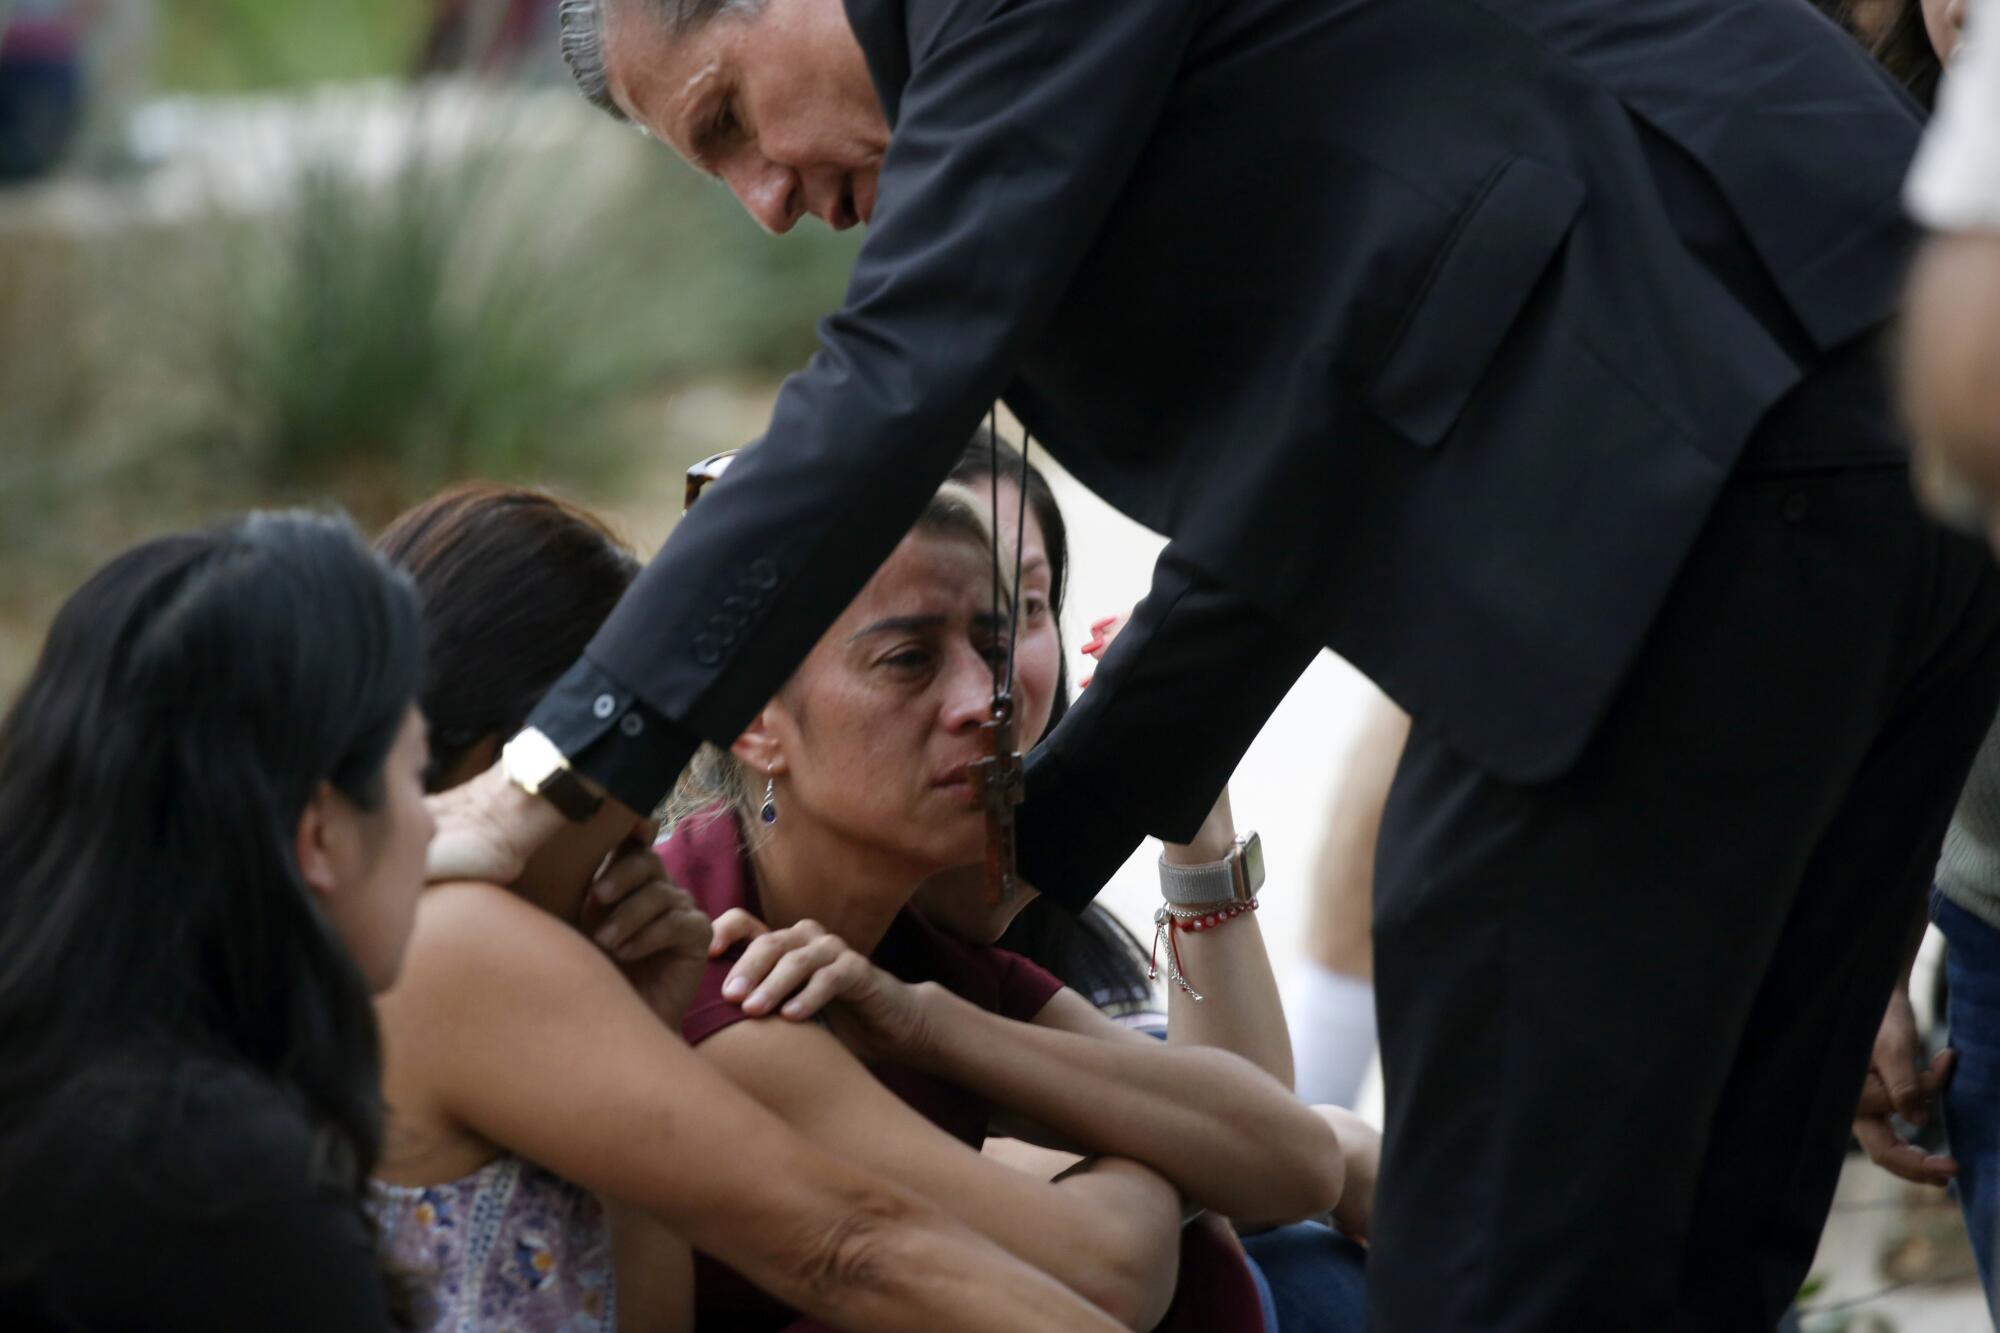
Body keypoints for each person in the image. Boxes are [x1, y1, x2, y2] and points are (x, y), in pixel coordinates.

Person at [413, 0, 2000, 1325]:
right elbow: (1297, 482)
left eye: (726, 121)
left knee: (1498, 1261)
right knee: (1703, 1245)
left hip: (1709, 432)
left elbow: (899, 368)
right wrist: (1027, 863)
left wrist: (555, 781)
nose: (763, 198)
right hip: (1878, 435)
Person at [368, 484, 1127, 1333]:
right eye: (641, 749)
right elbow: (850, 1247)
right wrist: (1156, 1163)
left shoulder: (468, 937)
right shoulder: (453, 935)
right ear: (505, 759)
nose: (648, 810)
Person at [654, 478, 1362, 1330]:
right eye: (908, 658)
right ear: (756, 716)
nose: (982, 701)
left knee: (1325, 1271)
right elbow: (1110, 1272)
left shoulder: (903, 947)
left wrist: (928, 1025)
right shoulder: (722, 961)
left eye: (997, 639)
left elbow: (1295, 1161)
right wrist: (1163, 1152)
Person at [0, 511, 432, 1329]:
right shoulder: (207, 1186)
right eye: (418, 773)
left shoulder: (63, 1074)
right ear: (320, 831)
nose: (435, 822)